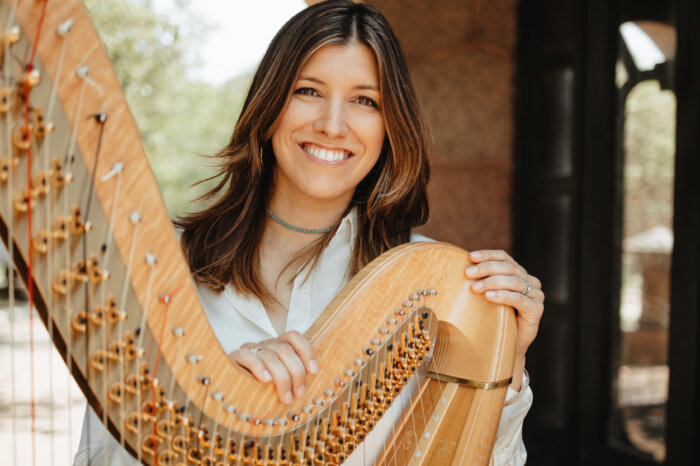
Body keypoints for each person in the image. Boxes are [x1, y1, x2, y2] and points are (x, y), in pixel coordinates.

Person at [76, 1, 544, 464]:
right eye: (308, 91)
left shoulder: (437, 293)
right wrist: (204, 422)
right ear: (270, 105)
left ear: (389, 126)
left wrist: (506, 356)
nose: (332, 125)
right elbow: (96, 457)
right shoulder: (159, 265)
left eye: (365, 100)